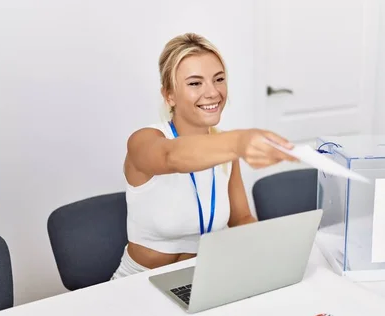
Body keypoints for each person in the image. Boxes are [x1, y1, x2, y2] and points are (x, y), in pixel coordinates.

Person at [111, 33, 297, 279]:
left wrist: (264, 248)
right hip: (139, 283)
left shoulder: (225, 149)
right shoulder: (144, 141)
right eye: (195, 83)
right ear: (169, 95)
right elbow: (171, 157)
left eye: (219, 79)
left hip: (202, 279)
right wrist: (240, 142)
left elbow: (241, 218)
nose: (213, 92)